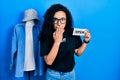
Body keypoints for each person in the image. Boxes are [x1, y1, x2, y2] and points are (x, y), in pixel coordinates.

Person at [39, 4, 91, 80]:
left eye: (62, 19)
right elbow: (48, 61)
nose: (59, 23)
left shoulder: (73, 32)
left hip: (69, 74)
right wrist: (57, 42)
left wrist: (85, 41)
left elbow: (78, 52)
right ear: (51, 20)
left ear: (67, 20)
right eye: (55, 19)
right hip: (52, 74)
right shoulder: (45, 35)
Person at [10, 9, 45, 79]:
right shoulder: (18, 28)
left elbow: (42, 47)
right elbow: (13, 47)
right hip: (23, 62)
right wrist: (12, 63)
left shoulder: (39, 29)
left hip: (35, 61)